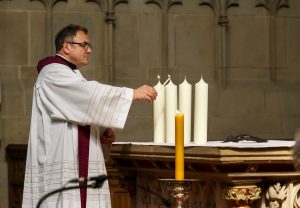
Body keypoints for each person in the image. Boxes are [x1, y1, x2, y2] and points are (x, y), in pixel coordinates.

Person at [22, 24, 157, 208]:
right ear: (67, 46)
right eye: (84, 44)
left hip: (77, 161)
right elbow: (87, 94)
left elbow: (79, 110)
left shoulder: (70, 74)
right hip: (62, 161)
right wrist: (131, 93)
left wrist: (101, 134)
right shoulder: (52, 72)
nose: (89, 50)